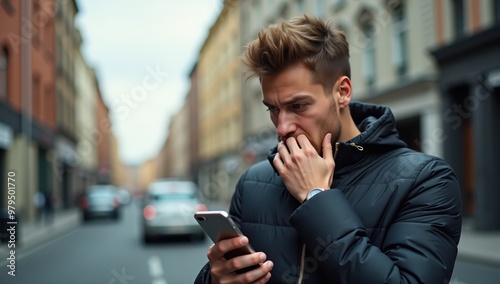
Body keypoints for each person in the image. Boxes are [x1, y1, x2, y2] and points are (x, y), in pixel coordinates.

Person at [194, 14, 462, 284]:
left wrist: (317, 199)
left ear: (342, 92)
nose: (282, 126)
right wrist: (214, 279)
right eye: (273, 109)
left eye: (298, 106)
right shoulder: (253, 182)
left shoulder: (426, 180)